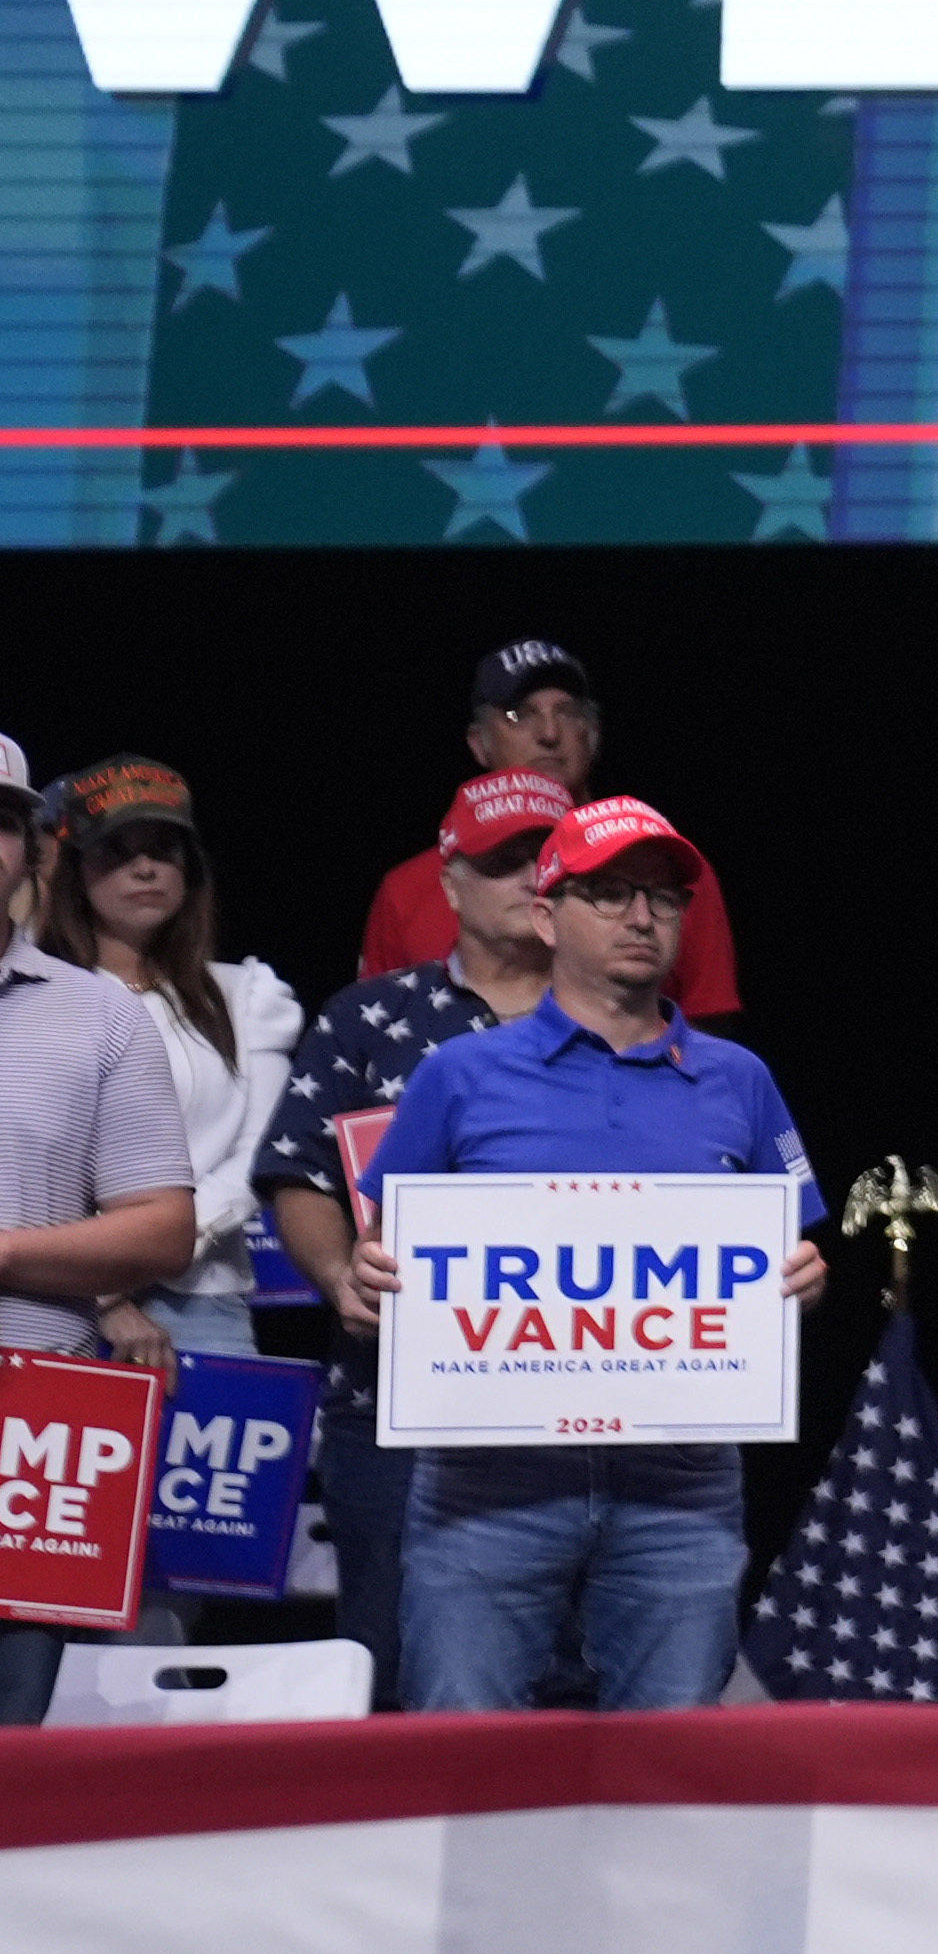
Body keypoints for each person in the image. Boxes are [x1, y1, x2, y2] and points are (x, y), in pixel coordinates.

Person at [352, 797, 826, 1715]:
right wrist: (360, 1277)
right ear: (545, 913)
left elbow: (786, 1249)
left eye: (662, 896)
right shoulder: (460, 1074)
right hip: (491, 1473)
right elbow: (382, 1249)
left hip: (678, 1478)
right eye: (609, 893)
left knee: (671, 1759)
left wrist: (800, 1279)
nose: (642, 916)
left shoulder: (740, 1078)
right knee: (464, 1744)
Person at [259, 770, 572, 1698]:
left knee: (567, 1677)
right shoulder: (371, 1016)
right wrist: (335, 1270)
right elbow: (301, 1173)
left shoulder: (626, 1023)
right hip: (395, 1401)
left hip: (581, 1405)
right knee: (392, 1663)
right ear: (449, 881)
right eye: (500, 860)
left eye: (542, 861)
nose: (525, 878)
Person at [0, 736, 202, 1725]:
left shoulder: (101, 1016)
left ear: (32, 852)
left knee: (13, 1761)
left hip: (31, 1443)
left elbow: (163, 1230)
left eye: (0, 824)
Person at [36, 758, 303, 1370]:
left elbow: (256, 1155)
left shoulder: (245, 996)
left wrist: (141, 1255)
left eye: (165, 849)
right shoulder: (31, 996)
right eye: (117, 851)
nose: (145, 867)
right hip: (49, 1298)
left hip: (202, 1300)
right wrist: (102, 1294)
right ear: (75, 869)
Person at [360, 641, 743, 1022]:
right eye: (518, 715)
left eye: (567, 712)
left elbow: (710, 1041)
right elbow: (372, 1032)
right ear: (478, 743)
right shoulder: (405, 890)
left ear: (592, 733)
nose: (548, 733)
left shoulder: (665, 869)